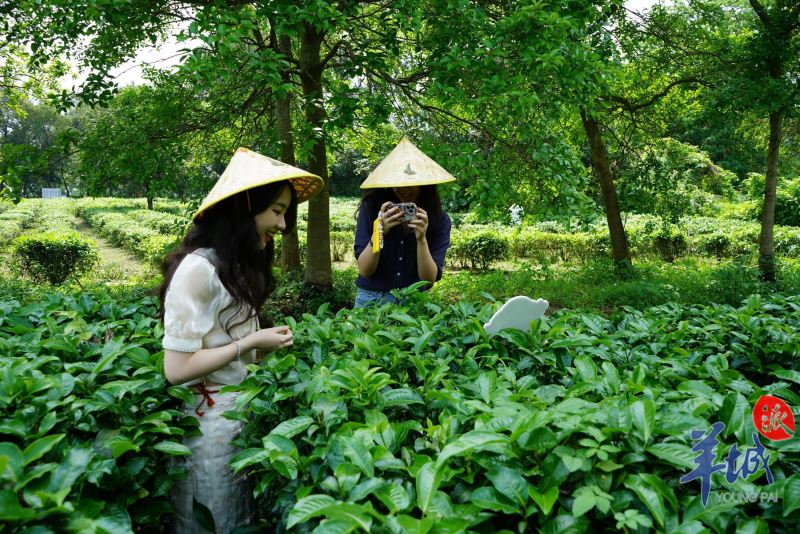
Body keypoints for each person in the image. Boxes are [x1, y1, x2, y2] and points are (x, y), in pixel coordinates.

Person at [158, 147, 322, 533]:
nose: (283, 226)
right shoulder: (197, 270)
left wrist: (257, 341)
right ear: (245, 208)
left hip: (239, 419)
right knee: (214, 520)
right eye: (278, 211)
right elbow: (176, 369)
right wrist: (248, 343)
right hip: (209, 426)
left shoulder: (232, 265)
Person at [353, 137, 456, 307]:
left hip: (413, 302)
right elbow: (365, 270)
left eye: (411, 183)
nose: (404, 189)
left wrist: (421, 239)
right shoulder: (372, 211)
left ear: (425, 184)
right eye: (397, 183)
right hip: (371, 299)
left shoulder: (440, 220)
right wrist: (379, 231)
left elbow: (428, 280)